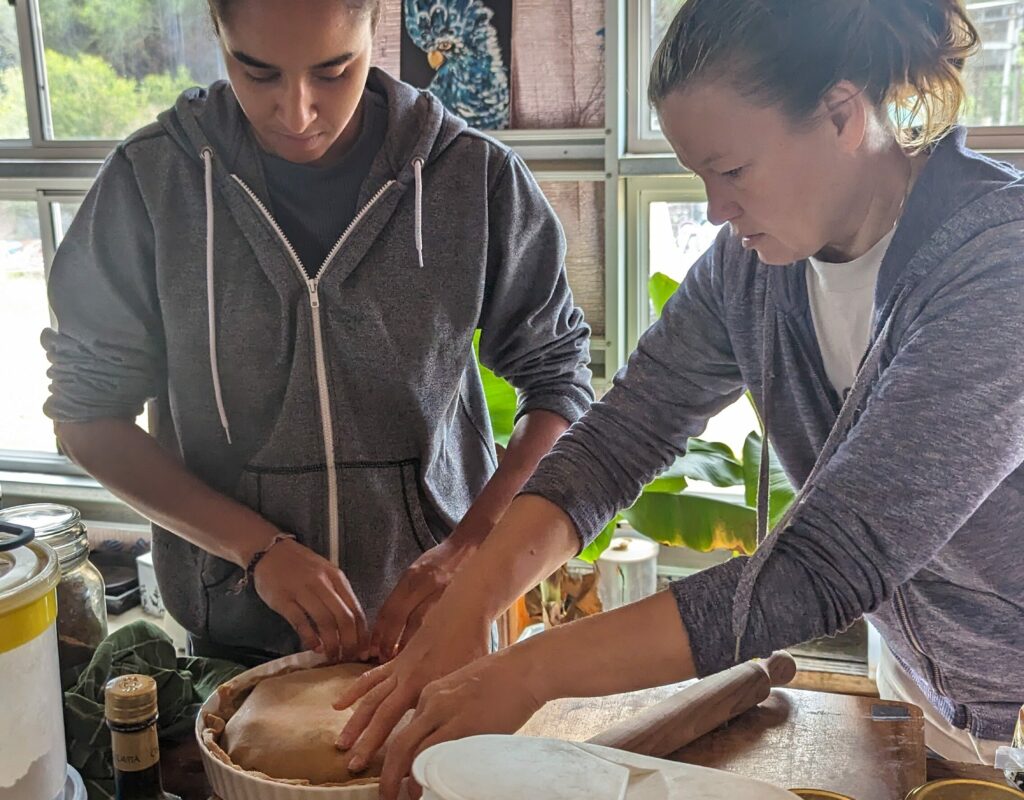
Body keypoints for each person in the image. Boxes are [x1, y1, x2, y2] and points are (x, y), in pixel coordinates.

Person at [334, 0, 1024, 795]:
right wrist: (468, 608)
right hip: (930, 698)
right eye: (701, 176)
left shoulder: (996, 270)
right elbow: (621, 436)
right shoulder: (752, 273)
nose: (715, 210)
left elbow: (832, 560)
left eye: (732, 171)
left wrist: (530, 674)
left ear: (840, 113)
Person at [42, 0, 592, 667]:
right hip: (236, 642)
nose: (297, 112)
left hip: (439, 631)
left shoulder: (474, 179)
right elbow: (87, 418)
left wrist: (474, 549)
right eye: (258, 72)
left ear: (375, 27)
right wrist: (256, 548)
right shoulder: (150, 186)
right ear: (218, 34)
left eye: (335, 71)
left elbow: (560, 385)